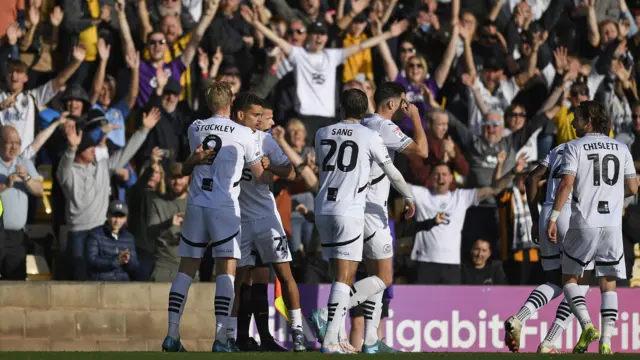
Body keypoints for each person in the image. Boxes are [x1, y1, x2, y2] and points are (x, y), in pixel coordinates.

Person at [310, 81, 428, 354]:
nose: (405, 106)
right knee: (382, 277)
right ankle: (330, 317)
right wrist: (416, 117)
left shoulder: (326, 131)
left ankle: (371, 341)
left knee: (357, 275)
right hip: (368, 210)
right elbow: (422, 151)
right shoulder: (379, 129)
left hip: (331, 208)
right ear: (391, 103)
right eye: (402, 102)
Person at [161, 82, 272, 352]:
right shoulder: (243, 133)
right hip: (224, 207)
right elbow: (260, 176)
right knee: (226, 271)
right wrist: (275, 167)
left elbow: (186, 165)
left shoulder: (195, 127)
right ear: (231, 102)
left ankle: (172, 335)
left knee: (186, 270)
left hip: (197, 204)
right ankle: (221, 339)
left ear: (208, 102)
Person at [546, 101, 638, 354]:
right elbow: (632, 188)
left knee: (571, 279)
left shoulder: (575, 147)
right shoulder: (621, 147)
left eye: (576, 118)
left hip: (584, 222)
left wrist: (553, 217)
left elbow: (565, 184)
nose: (573, 123)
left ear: (588, 121)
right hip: (612, 226)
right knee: (609, 283)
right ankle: (606, 342)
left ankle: (587, 325)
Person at [231, 94, 304, 352]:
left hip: (264, 218)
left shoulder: (267, 141)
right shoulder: (228, 137)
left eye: (265, 116)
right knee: (240, 280)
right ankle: (236, 339)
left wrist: (271, 166)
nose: (264, 120)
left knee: (282, 275)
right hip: (238, 219)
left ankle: (297, 337)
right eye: (259, 115)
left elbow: (293, 173)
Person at [503, 143, 590, 353]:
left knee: (554, 281)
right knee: (580, 284)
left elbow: (531, 178)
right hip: (571, 214)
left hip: (546, 214)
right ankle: (550, 341)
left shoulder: (558, 149)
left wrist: (535, 219)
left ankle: (519, 318)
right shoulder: (593, 148)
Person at [410, 162, 515, 285]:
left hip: (452, 264)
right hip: (425, 262)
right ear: (430, 177)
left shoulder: (460, 196)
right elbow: (396, 181)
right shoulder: (421, 194)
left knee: (451, 304)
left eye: (444, 174)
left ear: (451, 178)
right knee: (424, 303)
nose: (440, 178)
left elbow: (495, 189)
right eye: (436, 174)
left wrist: (513, 172)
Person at [0, 125, 44, 280]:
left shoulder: (24, 163)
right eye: (9, 142)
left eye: (17, 143)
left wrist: (26, 178)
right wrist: (6, 185)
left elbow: (39, 191)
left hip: (17, 237)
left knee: (15, 281)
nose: (14, 147)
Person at [85, 200, 138, 281]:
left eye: (121, 217)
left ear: (125, 219)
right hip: (100, 285)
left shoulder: (129, 237)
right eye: (114, 216)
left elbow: (134, 266)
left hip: (122, 285)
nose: (117, 221)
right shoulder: (94, 234)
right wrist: (116, 261)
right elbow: (91, 260)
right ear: (107, 215)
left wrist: (129, 259)